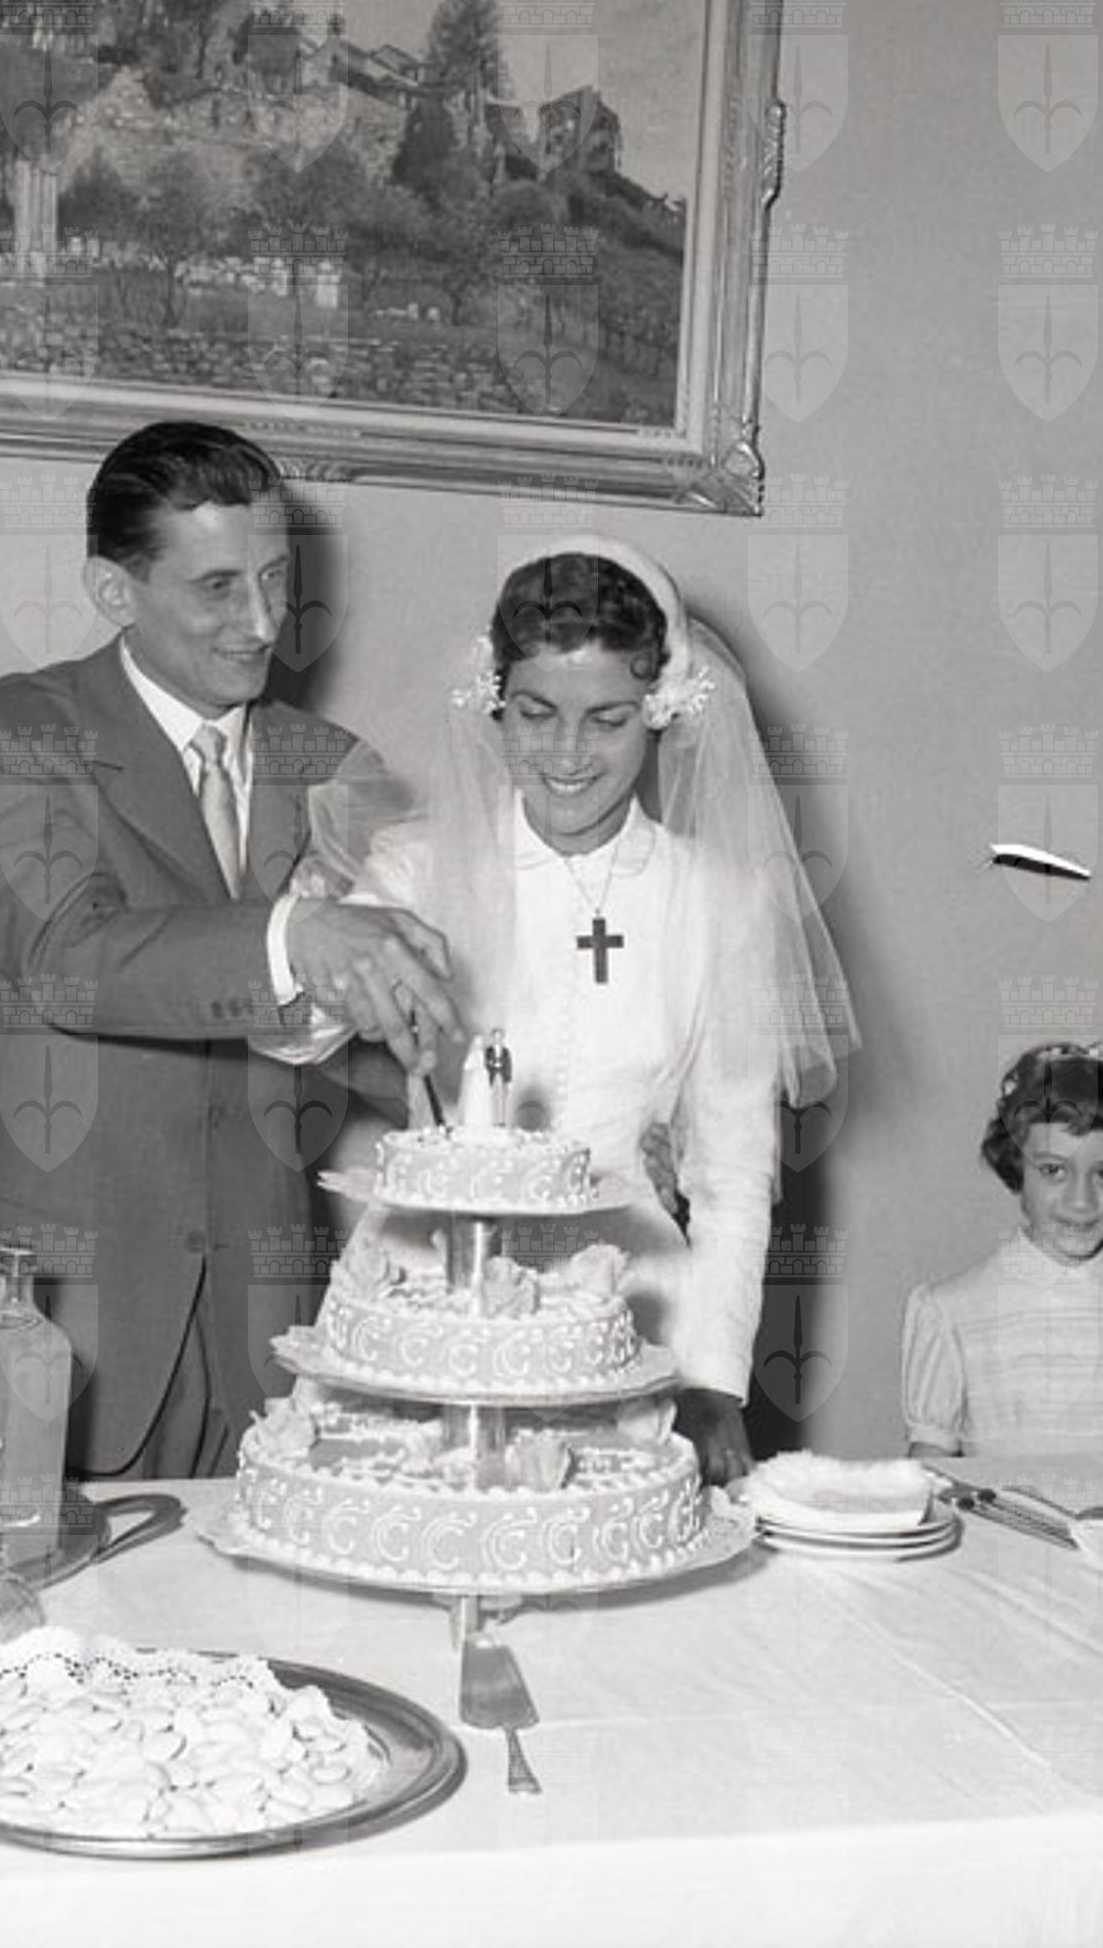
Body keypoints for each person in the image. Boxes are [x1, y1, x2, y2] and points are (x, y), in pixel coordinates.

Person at [0, 421, 461, 1482]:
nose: (261, 622)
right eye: (218, 587)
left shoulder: (336, 768)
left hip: (273, 1327)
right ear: (114, 590)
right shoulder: (11, 736)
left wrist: (552, 1107)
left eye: (275, 579)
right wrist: (294, 934)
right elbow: (64, 958)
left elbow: (373, 1044)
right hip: (61, 1313)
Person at [272, 537, 850, 1485]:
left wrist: (713, 1380)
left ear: (658, 712)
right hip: (432, 1301)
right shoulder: (416, 868)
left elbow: (733, 1170)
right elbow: (296, 1034)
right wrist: (306, 935)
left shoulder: (719, 900)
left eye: (607, 720)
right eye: (536, 714)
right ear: (495, 702)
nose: (568, 754)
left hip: (629, 1310)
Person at [902, 1043, 1103, 1458]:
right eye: (1053, 1170)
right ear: (1017, 1165)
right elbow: (931, 1473)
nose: (1080, 1201)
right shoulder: (951, 1314)